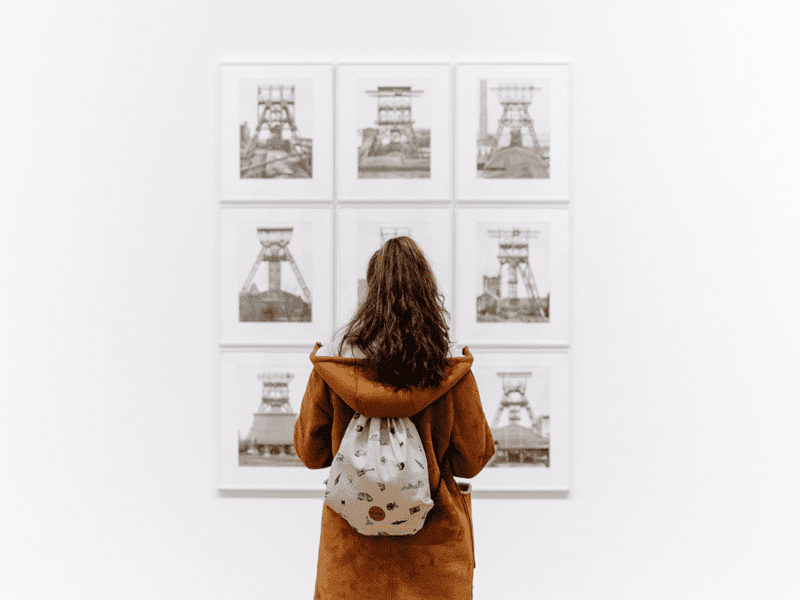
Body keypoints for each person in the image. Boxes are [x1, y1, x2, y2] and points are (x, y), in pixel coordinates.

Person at [294, 236, 496, 600]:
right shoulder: (452, 370)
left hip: (351, 555)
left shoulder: (332, 367)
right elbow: (471, 461)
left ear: (369, 292)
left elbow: (312, 454)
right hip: (434, 554)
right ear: (428, 293)